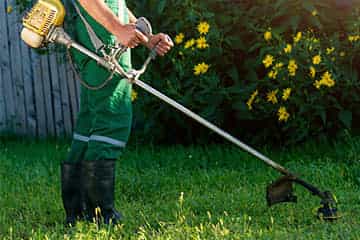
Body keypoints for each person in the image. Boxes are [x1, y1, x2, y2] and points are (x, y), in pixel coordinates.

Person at [61, 0, 173, 225]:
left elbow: (115, 3)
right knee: (112, 120)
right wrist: (118, 29)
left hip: (101, 39)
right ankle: (100, 214)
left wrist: (146, 38)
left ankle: (78, 210)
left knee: (90, 123)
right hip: (104, 42)